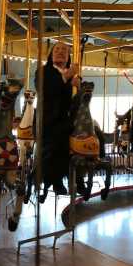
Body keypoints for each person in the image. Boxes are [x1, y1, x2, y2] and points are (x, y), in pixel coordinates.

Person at [34, 41, 79, 195]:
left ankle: (82, 175)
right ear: (51, 54)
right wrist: (68, 76)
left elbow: (74, 101)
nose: (60, 52)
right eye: (57, 49)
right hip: (47, 119)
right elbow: (48, 90)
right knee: (59, 137)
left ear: (68, 56)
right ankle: (56, 180)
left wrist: (79, 87)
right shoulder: (43, 71)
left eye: (64, 50)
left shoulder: (71, 74)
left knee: (91, 135)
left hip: (67, 119)